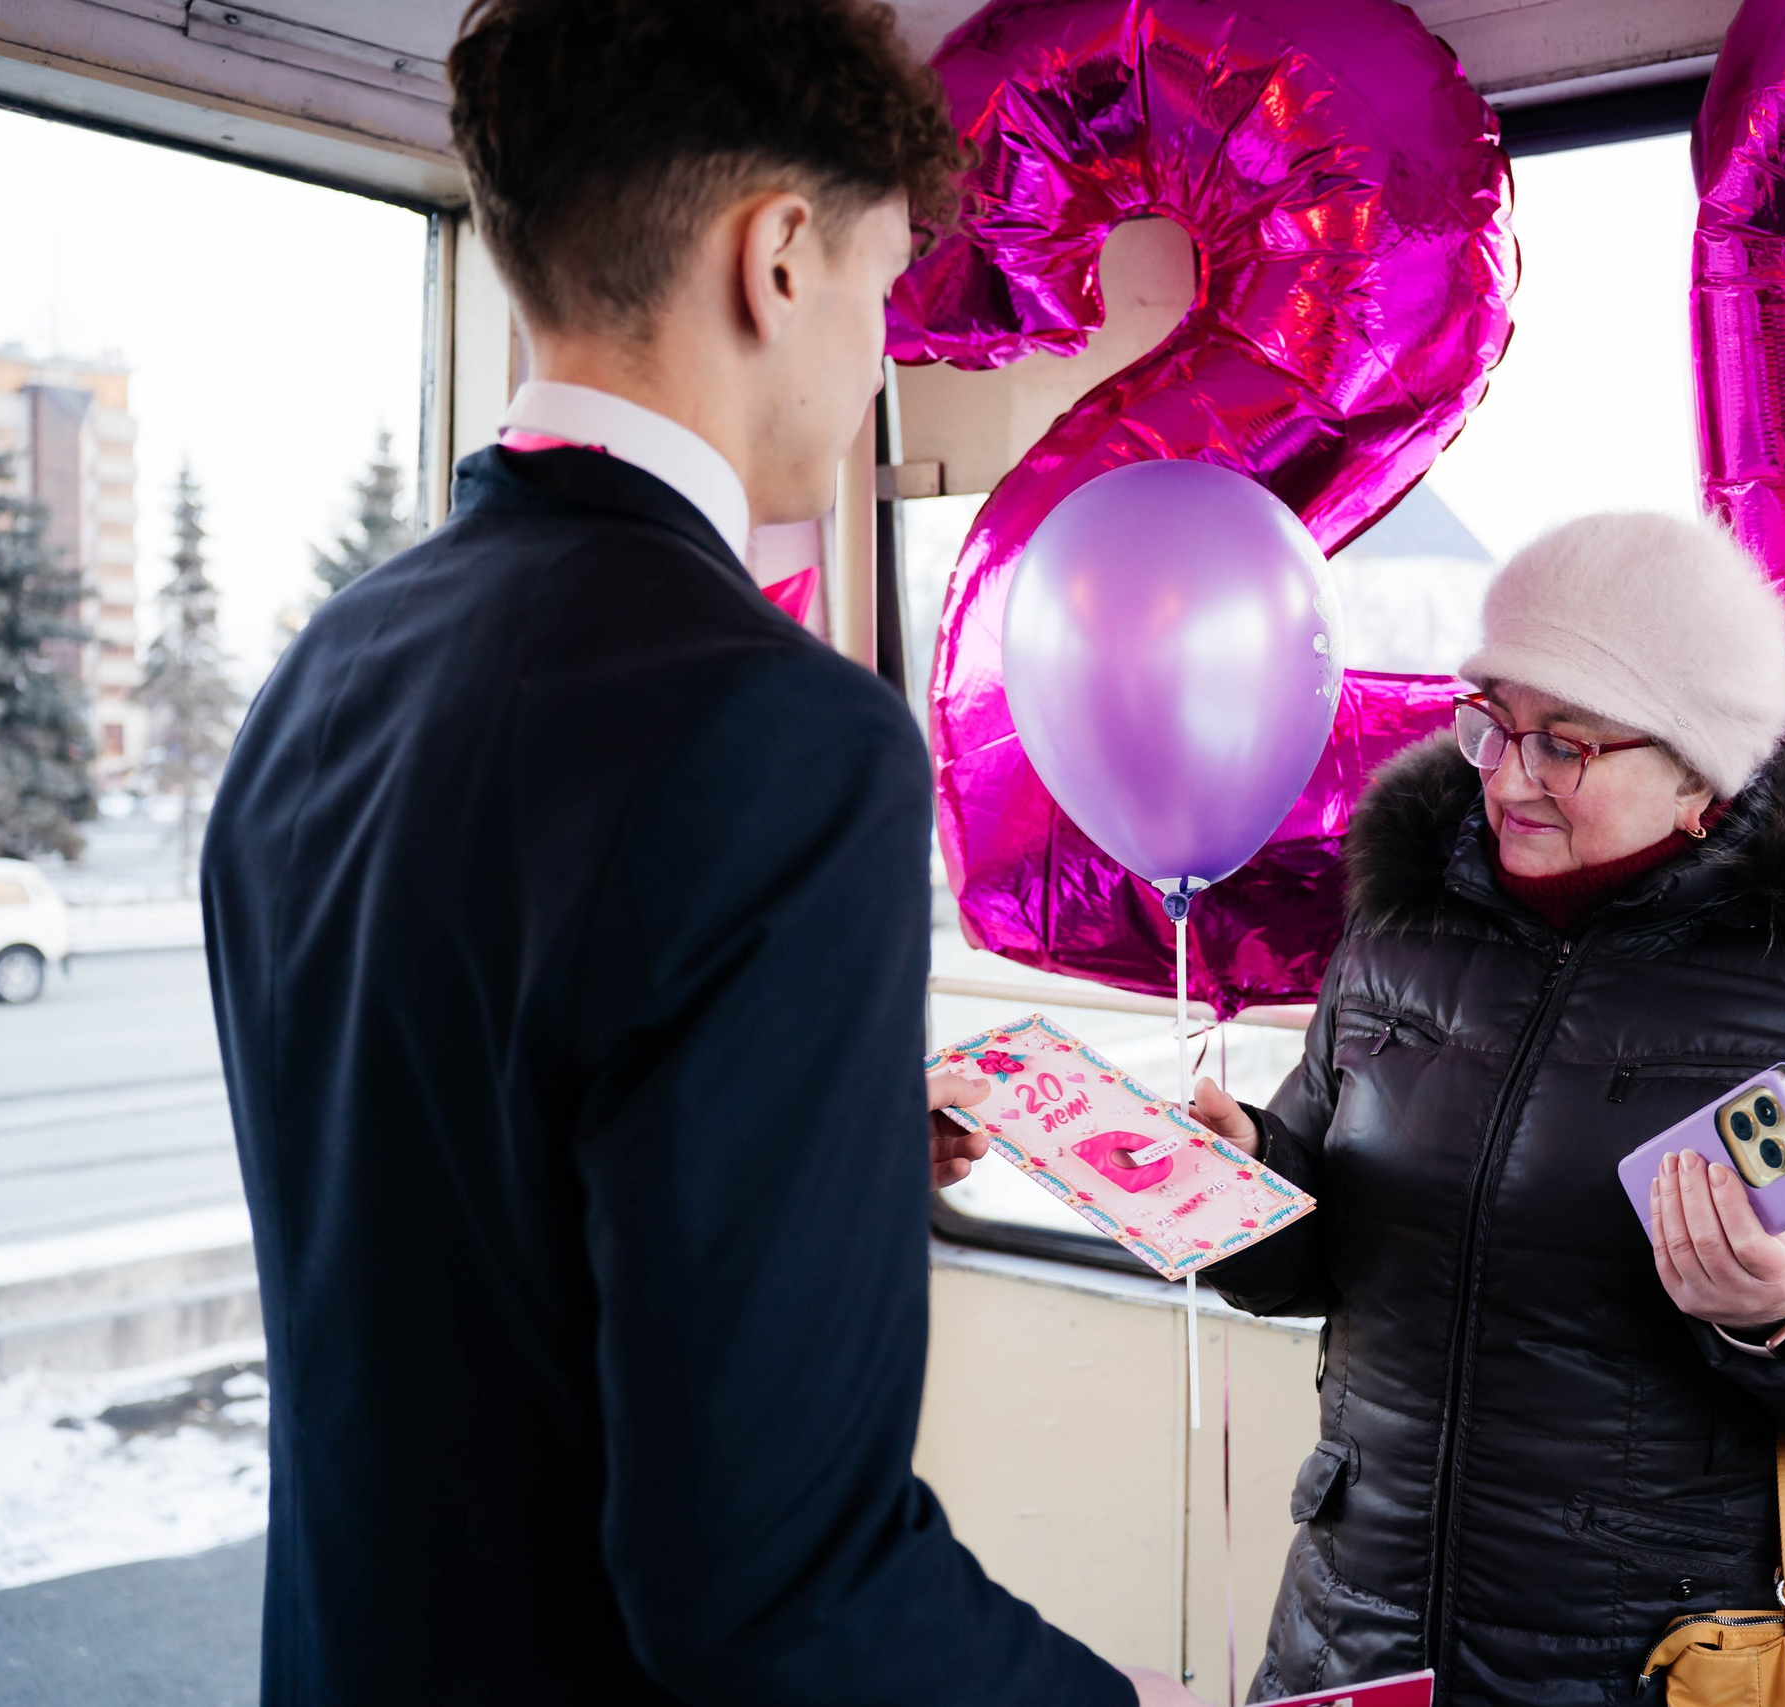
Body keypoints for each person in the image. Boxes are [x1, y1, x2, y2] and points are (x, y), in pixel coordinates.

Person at [201, 3, 1193, 1702]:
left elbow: (453, 1190)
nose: (877, 359)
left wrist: (806, 1141)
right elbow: (772, 1589)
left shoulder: (325, 673)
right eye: (883, 291)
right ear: (781, 258)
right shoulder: (784, 737)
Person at [1186, 511, 1785, 1703]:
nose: (1507, 778)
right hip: (1357, 1630)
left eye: (1564, 744)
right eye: (1494, 725)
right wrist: (1240, 1181)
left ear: (1698, 775)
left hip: (1652, 1663)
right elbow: (1324, 1254)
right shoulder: (1400, 933)